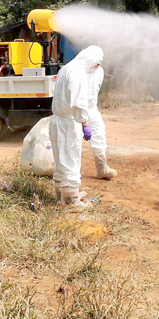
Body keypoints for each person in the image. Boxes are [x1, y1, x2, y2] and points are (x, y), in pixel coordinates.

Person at [49, 45, 104, 212]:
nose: (95, 68)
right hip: (68, 122)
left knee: (61, 159)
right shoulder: (78, 72)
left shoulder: (67, 68)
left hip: (57, 120)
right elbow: (78, 102)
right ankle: (73, 201)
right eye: (96, 64)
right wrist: (85, 123)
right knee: (71, 159)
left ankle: (60, 198)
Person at [88, 63, 118, 179]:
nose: (96, 64)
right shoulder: (75, 71)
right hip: (74, 110)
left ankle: (102, 168)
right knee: (71, 143)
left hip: (92, 109)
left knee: (99, 134)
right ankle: (66, 174)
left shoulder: (99, 72)